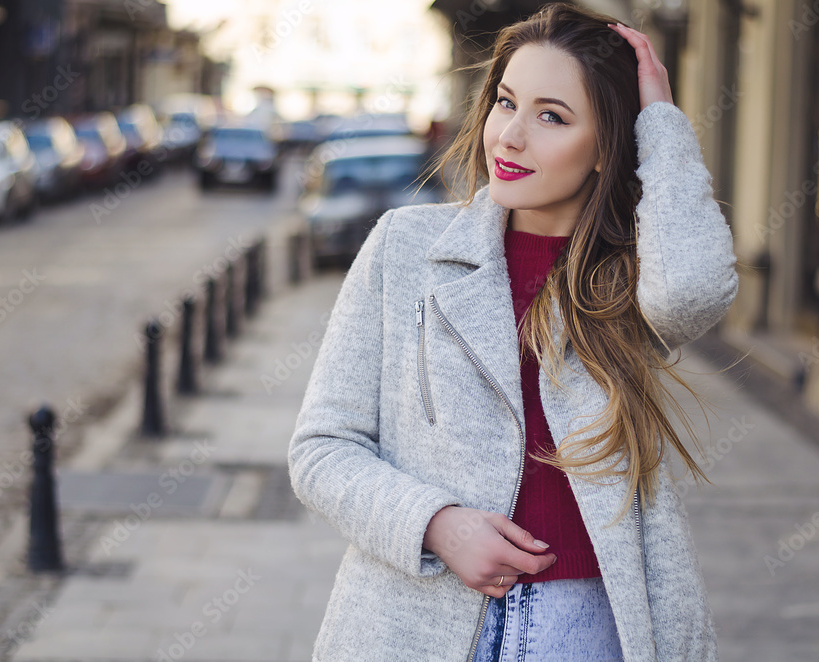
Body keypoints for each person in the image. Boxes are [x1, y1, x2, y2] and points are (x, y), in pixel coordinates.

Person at [288, 3, 738, 661]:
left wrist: (663, 127)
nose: (511, 136)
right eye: (505, 103)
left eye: (551, 116)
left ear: (606, 148)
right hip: (414, 616)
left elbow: (696, 291)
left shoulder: (630, 280)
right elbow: (322, 448)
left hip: (584, 625)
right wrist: (435, 525)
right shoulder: (406, 248)